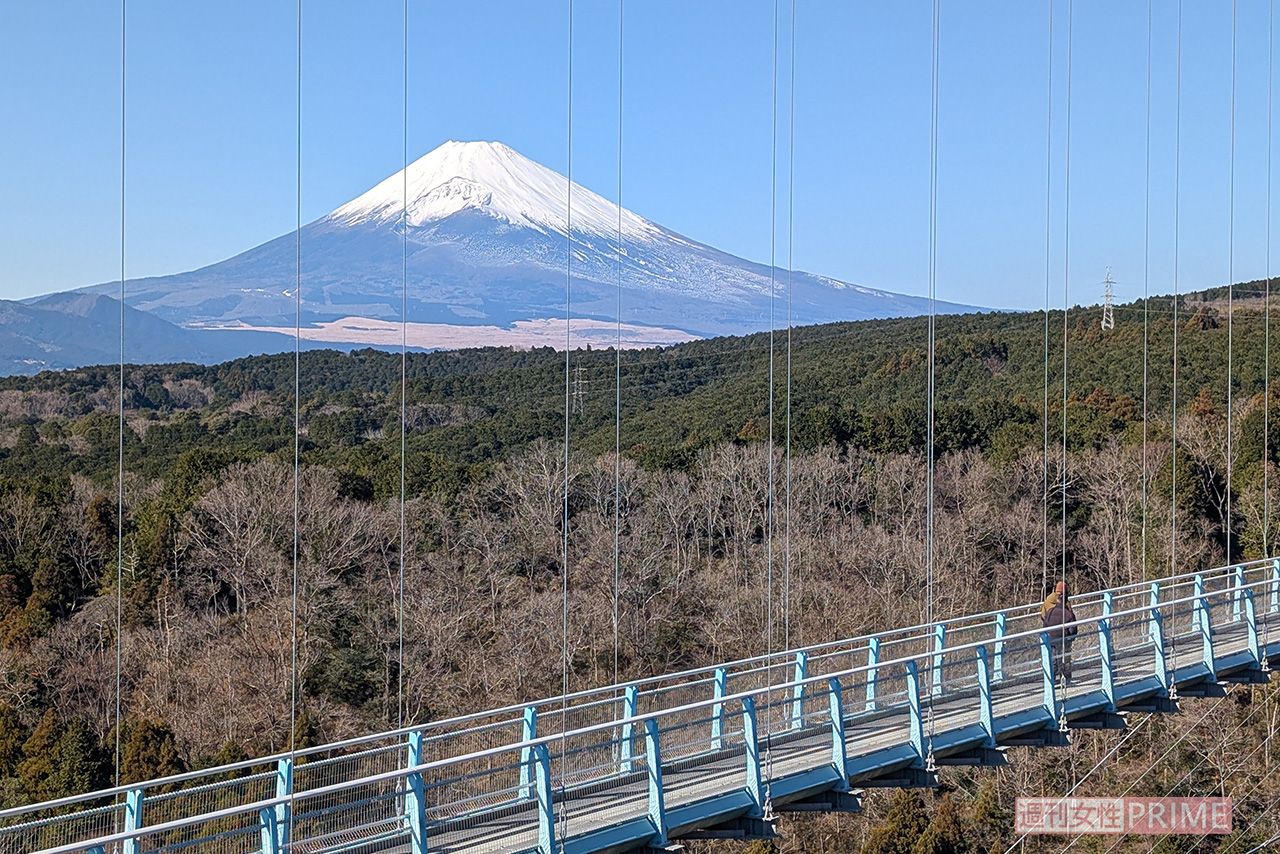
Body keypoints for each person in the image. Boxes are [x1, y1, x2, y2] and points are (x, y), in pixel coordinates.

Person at [1041, 580, 1078, 682]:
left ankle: (1051, 681)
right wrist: (1069, 638)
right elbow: (1073, 631)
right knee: (1065, 658)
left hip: (1051, 637)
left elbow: (1044, 624)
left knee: (1053, 659)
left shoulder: (1049, 608)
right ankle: (1066, 678)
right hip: (1063, 638)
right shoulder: (1068, 614)